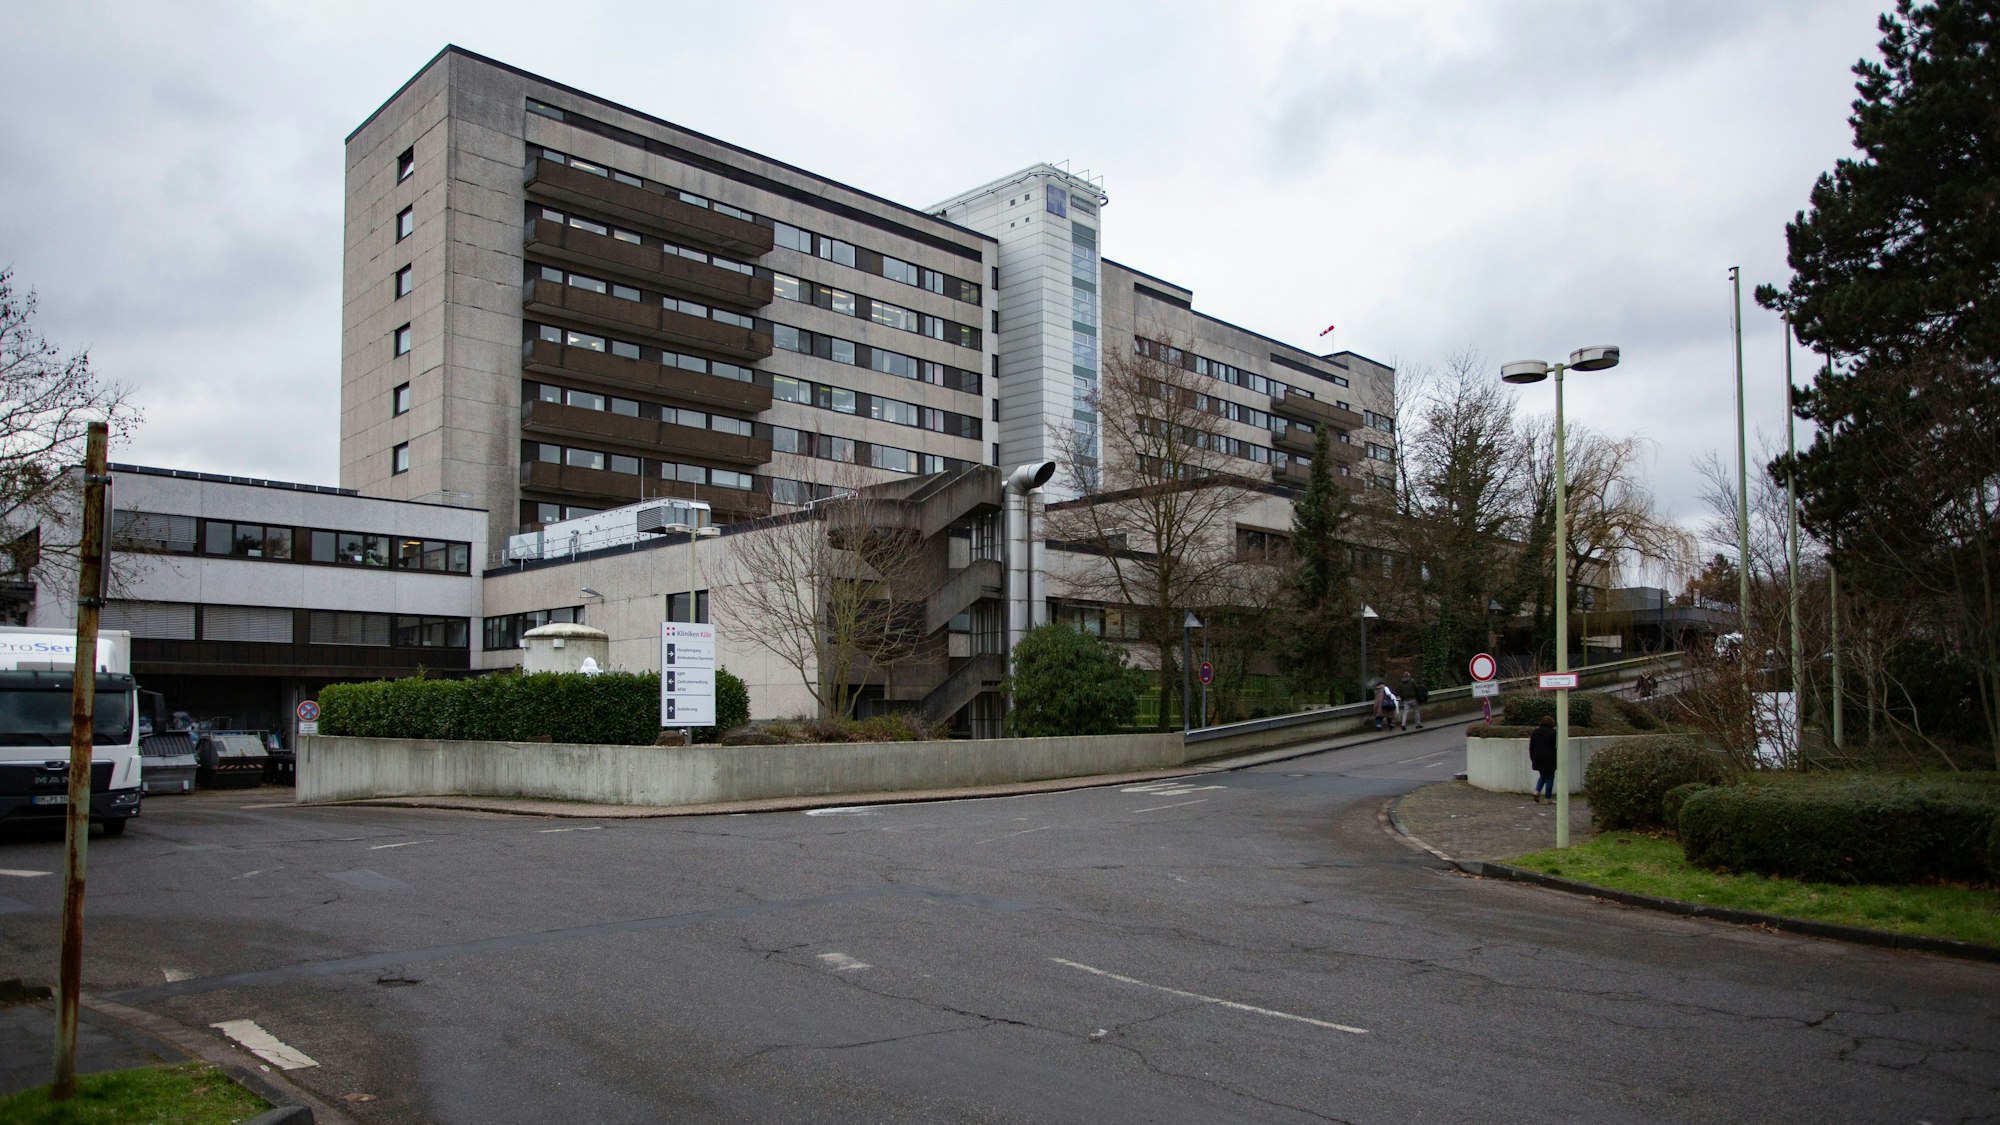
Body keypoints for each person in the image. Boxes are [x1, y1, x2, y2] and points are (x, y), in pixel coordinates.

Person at [1528, 714, 1557, 804]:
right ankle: (1548, 798)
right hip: (1549, 758)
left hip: (1537, 757)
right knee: (1550, 777)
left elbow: (1531, 746)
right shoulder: (1553, 733)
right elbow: (1555, 746)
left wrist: (1532, 758)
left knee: (1542, 776)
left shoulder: (1535, 732)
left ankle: (1537, 791)